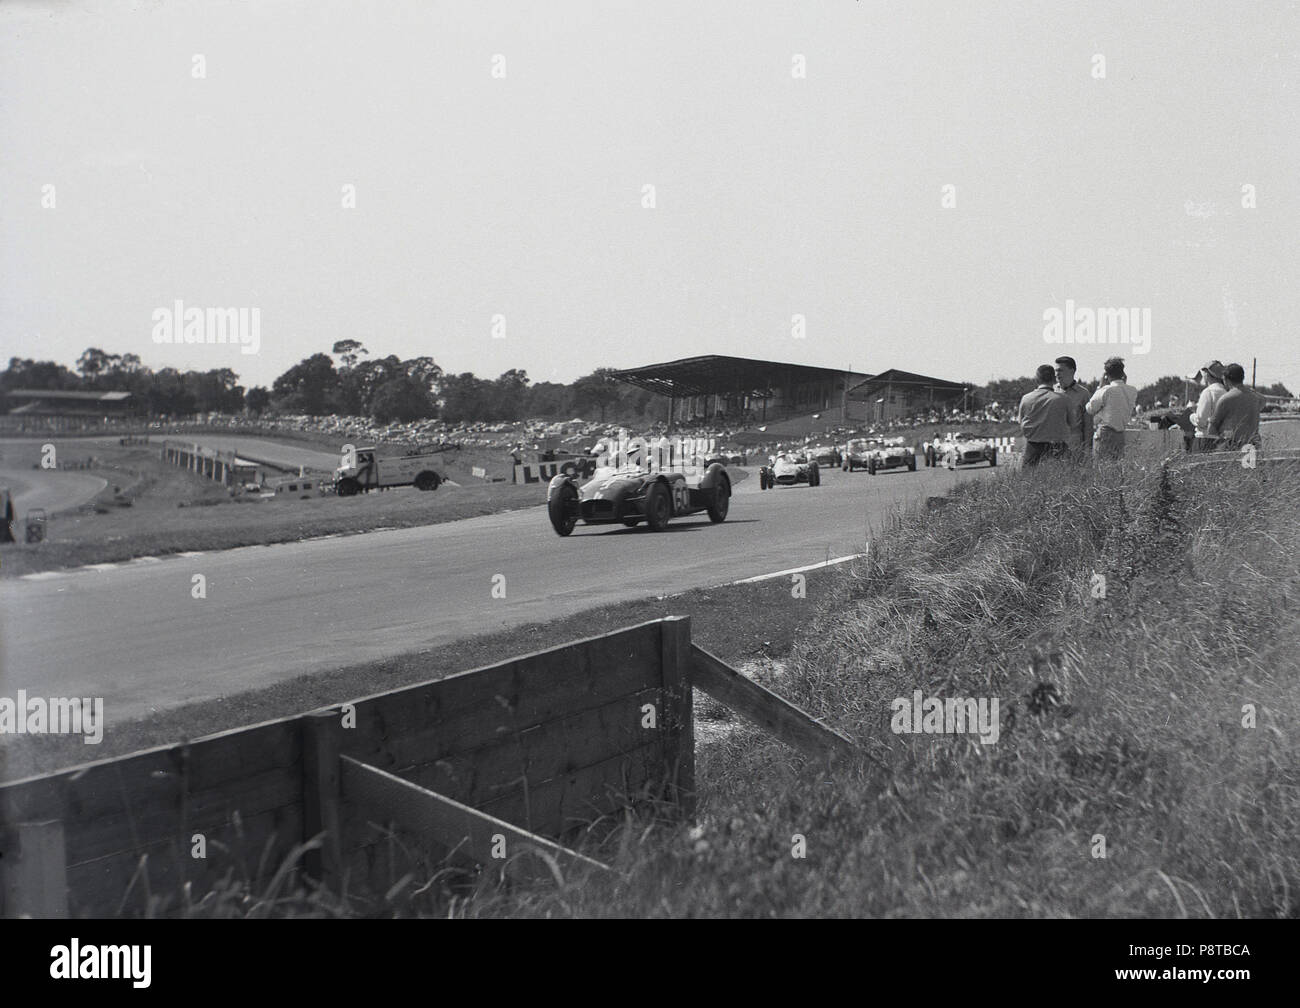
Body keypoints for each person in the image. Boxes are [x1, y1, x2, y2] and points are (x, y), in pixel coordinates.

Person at [1018, 364, 1079, 466]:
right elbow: (1073, 424)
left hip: (1033, 447)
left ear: (1037, 379)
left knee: (1028, 479)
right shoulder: (1064, 399)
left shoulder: (1026, 398)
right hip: (1058, 447)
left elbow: (1021, 422)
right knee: (1067, 477)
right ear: (1054, 379)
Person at [1086, 356, 1140, 461]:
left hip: (1105, 433)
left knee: (1100, 468)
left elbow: (1090, 408)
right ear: (1123, 373)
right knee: (1115, 469)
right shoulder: (1132, 391)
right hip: (1120, 434)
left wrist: (1100, 386)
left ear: (1106, 375)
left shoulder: (1106, 390)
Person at [1207, 363, 1263, 450]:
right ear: (1242, 378)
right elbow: (1264, 400)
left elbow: (1211, 428)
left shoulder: (1226, 398)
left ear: (1225, 379)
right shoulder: (1255, 398)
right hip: (1252, 447)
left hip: (1231, 447)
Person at [1053, 355, 1093, 461]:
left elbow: (1088, 425)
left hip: (1075, 446)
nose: (1057, 374)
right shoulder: (1051, 392)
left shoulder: (1083, 394)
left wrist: (1087, 450)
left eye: (1060, 370)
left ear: (1072, 371)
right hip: (1053, 446)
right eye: (1056, 371)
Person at [1188, 360, 1227, 452]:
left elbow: (1201, 420)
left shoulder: (1208, 392)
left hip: (1205, 439)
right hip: (1221, 440)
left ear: (1207, 374)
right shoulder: (1226, 392)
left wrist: (1192, 416)